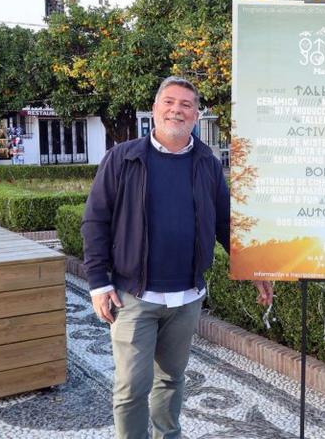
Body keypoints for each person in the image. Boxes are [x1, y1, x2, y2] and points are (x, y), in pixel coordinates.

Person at [82, 76, 273, 439]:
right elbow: (96, 220)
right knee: (131, 390)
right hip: (133, 296)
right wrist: (97, 282)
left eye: (186, 104)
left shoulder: (207, 161)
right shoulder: (123, 158)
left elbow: (224, 221)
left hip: (187, 298)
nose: (177, 110)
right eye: (169, 102)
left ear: (196, 114)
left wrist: (252, 265)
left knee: (171, 380)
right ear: (154, 110)